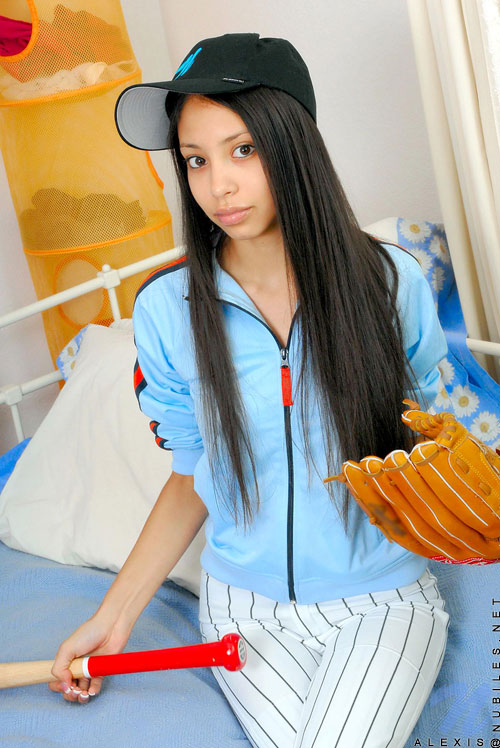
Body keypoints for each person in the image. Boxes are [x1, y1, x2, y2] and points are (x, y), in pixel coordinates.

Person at [50, 32, 451, 747]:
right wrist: (113, 618)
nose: (218, 187)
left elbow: (430, 444)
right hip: (243, 612)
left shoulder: (391, 284)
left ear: (295, 145)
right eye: (196, 160)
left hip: (382, 601)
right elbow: (192, 476)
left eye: (243, 150)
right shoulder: (168, 309)